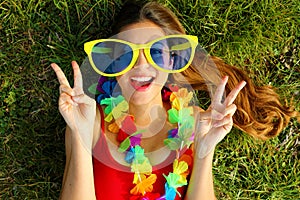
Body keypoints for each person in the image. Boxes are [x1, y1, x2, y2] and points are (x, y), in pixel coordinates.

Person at [51, 1, 298, 200]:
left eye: (156, 52)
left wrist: (204, 152)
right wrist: (80, 137)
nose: (141, 65)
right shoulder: (88, 121)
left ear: (171, 62)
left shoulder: (198, 123)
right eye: (127, 54)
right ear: (115, 65)